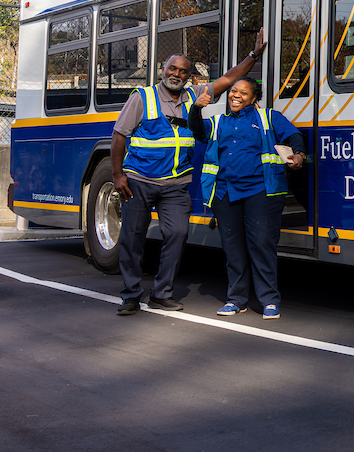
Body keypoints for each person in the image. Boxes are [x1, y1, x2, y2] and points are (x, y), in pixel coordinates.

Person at [112, 31, 268, 316]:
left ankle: (161, 293)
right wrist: (118, 175)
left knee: (178, 234)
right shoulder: (142, 97)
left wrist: (254, 55)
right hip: (140, 180)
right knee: (132, 238)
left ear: (188, 77)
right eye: (172, 68)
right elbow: (119, 135)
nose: (177, 73)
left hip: (176, 184)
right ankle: (131, 295)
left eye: (183, 71)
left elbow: (229, 79)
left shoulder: (196, 95)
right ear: (162, 70)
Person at [190, 76, 306, 319]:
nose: (235, 95)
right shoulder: (218, 122)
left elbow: (293, 136)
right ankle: (236, 299)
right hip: (225, 193)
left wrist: (299, 155)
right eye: (233, 91)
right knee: (233, 249)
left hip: (261, 192)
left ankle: (269, 300)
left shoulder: (269, 118)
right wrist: (196, 108)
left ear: (254, 99)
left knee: (262, 245)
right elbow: (198, 132)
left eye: (242, 93)